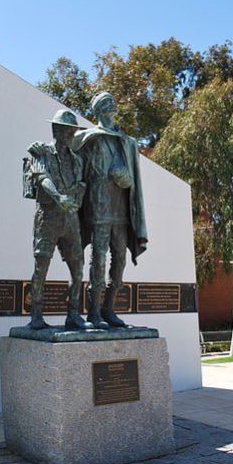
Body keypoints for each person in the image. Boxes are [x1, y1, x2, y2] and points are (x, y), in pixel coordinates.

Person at [73, 92, 148, 328]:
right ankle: (93, 311)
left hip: (121, 209)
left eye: (112, 102)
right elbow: (74, 166)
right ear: (96, 110)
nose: (111, 106)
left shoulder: (126, 141)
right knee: (99, 258)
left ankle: (109, 308)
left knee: (120, 260)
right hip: (98, 205)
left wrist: (127, 181)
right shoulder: (88, 138)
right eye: (105, 103)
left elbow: (133, 176)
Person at [26, 109, 92, 331]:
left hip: (70, 219)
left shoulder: (76, 160)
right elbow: (42, 178)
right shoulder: (41, 152)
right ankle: (36, 314)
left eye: (73, 131)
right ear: (57, 130)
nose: (71, 134)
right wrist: (58, 197)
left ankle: (73, 314)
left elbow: (80, 186)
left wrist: (75, 198)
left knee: (78, 267)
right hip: (48, 218)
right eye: (68, 130)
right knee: (41, 266)